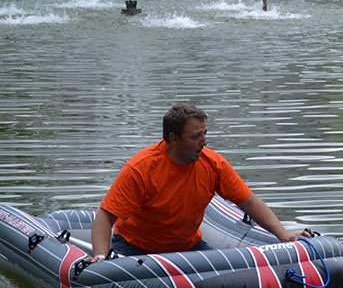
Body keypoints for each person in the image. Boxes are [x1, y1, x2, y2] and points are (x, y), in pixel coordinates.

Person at [86, 102, 310, 262]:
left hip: (187, 246)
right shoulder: (141, 168)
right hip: (136, 248)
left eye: (204, 133)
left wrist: (282, 234)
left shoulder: (213, 164)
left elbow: (248, 202)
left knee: (227, 276)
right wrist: (100, 256)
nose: (204, 142)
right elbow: (105, 216)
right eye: (196, 137)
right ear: (173, 139)